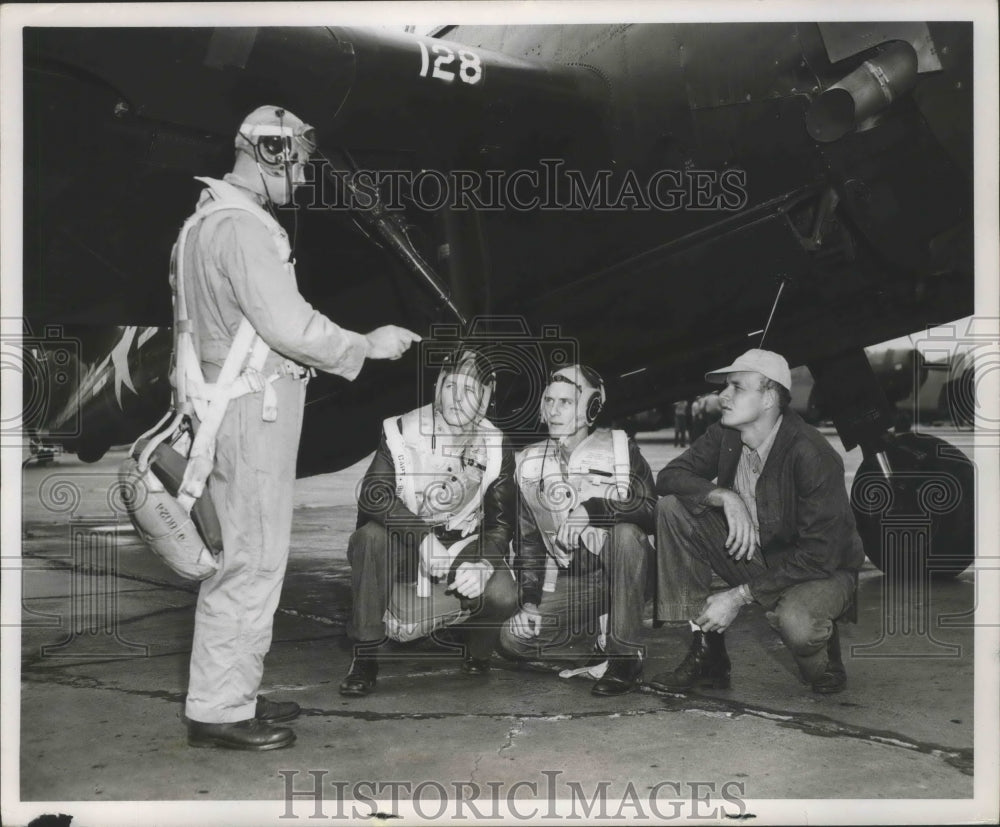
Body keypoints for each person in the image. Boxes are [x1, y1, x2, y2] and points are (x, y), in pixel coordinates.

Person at [180, 105, 420, 751]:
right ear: (273, 151)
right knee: (253, 560)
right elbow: (289, 323)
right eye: (300, 163)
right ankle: (223, 710)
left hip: (226, 412)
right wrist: (366, 343)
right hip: (253, 419)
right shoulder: (246, 228)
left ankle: (230, 689)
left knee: (241, 556)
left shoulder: (200, 224)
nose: (305, 177)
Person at [648, 349, 865, 696]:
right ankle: (708, 652)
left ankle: (825, 653)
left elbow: (820, 555)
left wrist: (737, 597)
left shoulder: (812, 454)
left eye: (737, 387)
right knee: (673, 509)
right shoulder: (726, 434)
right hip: (758, 556)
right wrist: (724, 497)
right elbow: (670, 477)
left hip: (818, 570)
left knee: (799, 625)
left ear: (768, 398)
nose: (723, 395)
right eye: (725, 387)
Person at [339, 347, 519, 696]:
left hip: (460, 542)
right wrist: (422, 538)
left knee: (502, 593)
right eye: (450, 386)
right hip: (406, 543)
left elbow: (500, 526)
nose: (456, 400)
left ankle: (476, 650)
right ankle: (365, 656)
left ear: (485, 397)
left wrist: (483, 563)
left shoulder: (496, 445)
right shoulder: (402, 430)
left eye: (470, 391)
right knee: (370, 538)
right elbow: (373, 495)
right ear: (438, 384)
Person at [499, 365, 657, 696]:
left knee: (626, 535)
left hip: (624, 570)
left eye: (566, 402)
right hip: (578, 581)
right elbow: (528, 542)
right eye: (549, 401)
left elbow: (652, 510)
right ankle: (594, 639)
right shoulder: (529, 463)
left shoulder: (620, 449)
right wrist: (529, 601)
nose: (554, 411)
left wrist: (594, 510)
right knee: (512, 640)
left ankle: (623, 654)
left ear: (592, 407)